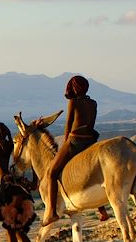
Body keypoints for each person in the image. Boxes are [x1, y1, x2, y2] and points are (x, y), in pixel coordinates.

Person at [42, 75, 109, 226]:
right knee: (95, 174)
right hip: (91, 140)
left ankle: (52, 212)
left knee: (52, 173)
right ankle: (102, 210)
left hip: (75, 141)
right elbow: (90, 123)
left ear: (73, 88)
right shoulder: (93, 103)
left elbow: (69, 125)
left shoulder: (73, 102)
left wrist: (66, 144)